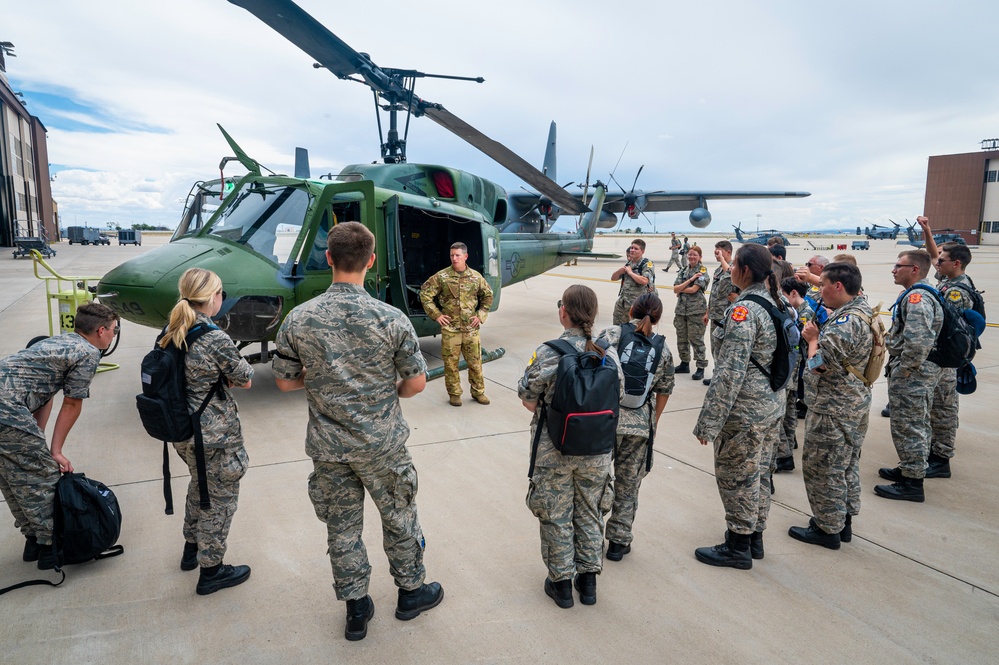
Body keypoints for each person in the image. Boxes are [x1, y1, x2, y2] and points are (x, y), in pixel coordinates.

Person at [274, 222, 442, 641]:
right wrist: (392, 390)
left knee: (342, 528)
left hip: (329, 449)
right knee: (400, 517)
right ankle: (410, 593)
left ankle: (356, 609)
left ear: (328, 258)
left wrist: (316, 380)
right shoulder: (391, 318)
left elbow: (284, 380)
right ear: (370, 261)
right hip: (382, 444)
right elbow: (416, 383)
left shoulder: (300, 318)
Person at [519, 285, 623, 608]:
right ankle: (588, 584)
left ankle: (561, 585)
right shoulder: (609, 352)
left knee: (556, 514)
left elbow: (526, 397)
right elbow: (618, 396)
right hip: (597, 451)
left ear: (564, 311)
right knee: (591, 512)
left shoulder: (549, 352)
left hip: (555, 449)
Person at [0, 302, 119, 570]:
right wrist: (55, 452)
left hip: (8, 408)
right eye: (113, 329)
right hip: (7, 409)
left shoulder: (61, 342)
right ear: (101, 331)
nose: (113, 334)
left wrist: (37, 441)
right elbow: (71, 403)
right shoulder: (88, 352)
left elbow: (45, 396)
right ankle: (50, 548)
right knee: (44, 479)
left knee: (12, 476)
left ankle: (32, 541)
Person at [161, 268, 254, 595]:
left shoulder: (173, 328)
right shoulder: (214, 337)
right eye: (221, 293)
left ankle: (191, 549)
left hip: (181, 431)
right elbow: (245, 377)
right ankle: (211, 570)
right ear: (212, 297)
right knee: (218, 501)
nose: (221, 298)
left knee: (200, 487)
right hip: (212, 436)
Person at [692, 244, 785, 570]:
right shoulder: (777, 301)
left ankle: (738, 545)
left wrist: (709, 421)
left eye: (734, 265)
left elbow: (729, 373)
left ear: (744, 271)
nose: (730, 269)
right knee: (759, 474)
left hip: (745, 411)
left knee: (736, 477)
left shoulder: (744, 311)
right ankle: (754, 536)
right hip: (772, 406)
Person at [788, 263, 873, 549]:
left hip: (833, 407)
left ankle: (827, 529)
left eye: (822, 284)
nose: (818, 290)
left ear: (838, 286)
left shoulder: (845, 322)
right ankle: (842, 520)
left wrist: (812, 340)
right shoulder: (862, 310)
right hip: (853, 403)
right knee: (846, 465)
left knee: (824, 468)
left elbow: (820, 366)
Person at [597, 292, 674, 561]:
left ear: (630, 310)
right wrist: (654, 421)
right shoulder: (662, 348)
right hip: (639, 427)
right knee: (628, 485)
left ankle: (592, 536)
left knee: (597, 480)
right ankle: (618, 542)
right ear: (659, 318)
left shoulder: (611, 334)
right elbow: (665, 389)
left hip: (605, 421)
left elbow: (591, 366)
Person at [875, 249, 942, 503]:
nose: (893, 270)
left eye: (898, 265)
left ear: (914, 269)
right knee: (914, 424)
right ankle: (908, 469)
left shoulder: (917, 298)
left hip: (913, 375)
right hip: (917, 373)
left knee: (911, 425)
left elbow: (918, 343)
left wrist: (903, 370)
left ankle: (912, 483)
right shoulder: (920, 294)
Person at [420, 242, 495, 407]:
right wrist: (437, 315)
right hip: (450, 330)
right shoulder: (442, 277)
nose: (454, 258)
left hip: (471, 330)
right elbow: (425, 294)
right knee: (450, 364)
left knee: (475, 363)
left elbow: (488, 296)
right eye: (452, 255)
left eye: (458, 255)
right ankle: (454, 394)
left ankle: (478, 392)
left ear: (465, 256)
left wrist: (481, 315)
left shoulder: (476, 277)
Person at [927, 235, 977, 478]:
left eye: (942, 260)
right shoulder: (949, 281)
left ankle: (941, 459)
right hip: (944, 358)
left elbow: (951, 329)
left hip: (947, 359)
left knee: (944, 408)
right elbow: (931, 254)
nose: (938, 263)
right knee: (938, 407)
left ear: (956, 263)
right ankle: (934, 452)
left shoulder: (956, 291)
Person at [672, 245, 709, 380]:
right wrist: (689, 281)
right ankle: (684, 363)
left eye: (695, 255)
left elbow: (694, 290)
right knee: (681, 337)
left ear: (700, 257)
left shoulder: (702, 271)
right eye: (690, 254)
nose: (692, 257)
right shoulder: (683, 270)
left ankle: (700, 367)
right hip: (681, 310)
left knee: (696, 339)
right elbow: (675, 289)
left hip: (696, 310)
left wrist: (681, 288)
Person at [702, 240, 736, 386]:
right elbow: (714, 293)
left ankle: (722, 378)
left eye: (719, 252)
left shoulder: (734, 268)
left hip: (726, 317)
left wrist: (722, 260)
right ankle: (717, 374)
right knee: (714, 347)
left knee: (724, 349)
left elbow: (730, 277)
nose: (716, 255)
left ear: (728, 252)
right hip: (715, 316)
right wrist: (707, 312)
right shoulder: (718, 270)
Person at [611, 239, 655, 325]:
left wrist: (630, 273)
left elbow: (644, 281)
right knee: (618, 328)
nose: (632, 250)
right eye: (631, 248)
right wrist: (619, 271)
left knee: (635, 330)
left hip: (636, 305)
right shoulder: (628, 264)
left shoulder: (647, 264)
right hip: (623, 303)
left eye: (636, 248)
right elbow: (613, 278)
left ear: (642, 251)